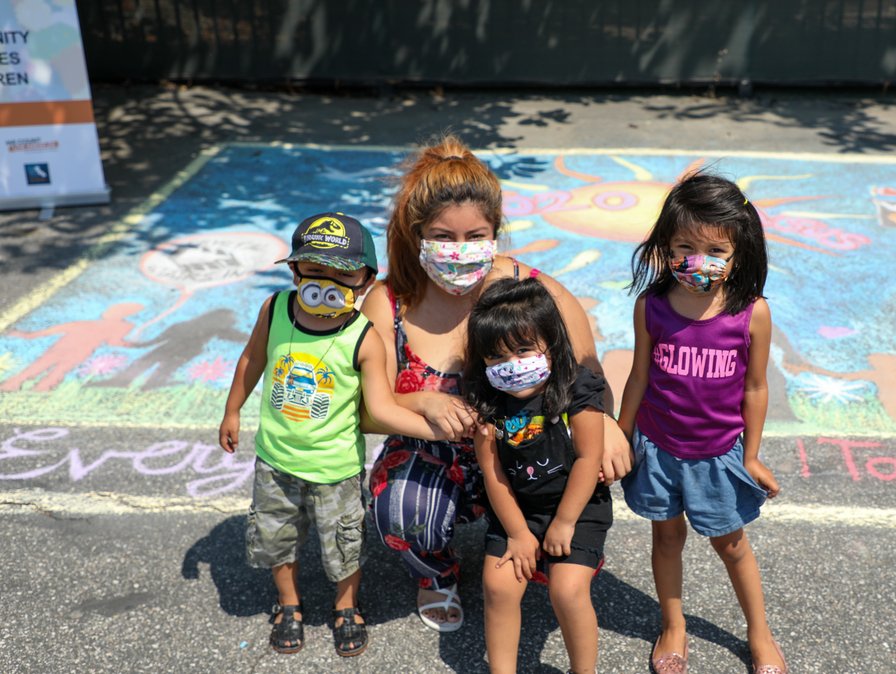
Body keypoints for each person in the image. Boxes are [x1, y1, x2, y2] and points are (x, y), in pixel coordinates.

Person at [362, 134, 631, 633]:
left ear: (495, 231)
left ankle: (553, 544)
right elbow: (366, 407)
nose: (460, 252)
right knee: (400, 510)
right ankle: (436, 573)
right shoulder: (388, 302)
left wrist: (608, 421)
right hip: (439, 458)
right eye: (443, 237)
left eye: (475, 236)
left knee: (587, 471)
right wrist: (422, 400)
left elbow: (586, 366)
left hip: (528, 455)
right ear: (416, 232)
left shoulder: (530, 289)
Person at [219, 212, 445, 657]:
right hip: (275, 460)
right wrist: (232, 410)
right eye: (314, 270)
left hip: (336, 470)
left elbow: (380, 408)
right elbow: (251, 360)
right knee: (276, 536)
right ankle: (288, 604)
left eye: (341, 273)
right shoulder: (277, 309)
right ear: (294, 270)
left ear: (365, 280)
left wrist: (435, 431)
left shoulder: (364, 337)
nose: (325, 281)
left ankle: (346, 607)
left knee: (344, 544)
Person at [618, 172, 788, 674]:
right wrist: (620, 436)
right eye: (684, 246)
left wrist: (751, 455)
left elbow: (755, 388)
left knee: (732, 544)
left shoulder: (752, 313)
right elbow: (638, 376)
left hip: (719, 455)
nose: (698, 260)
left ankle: (759, 632)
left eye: (715, 249)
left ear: (740, 251)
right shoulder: (651, 306)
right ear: (665, 246)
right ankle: (673, 625)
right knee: (666, 539)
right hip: (659, 449)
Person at [463, 277, 611, 674]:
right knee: (497, 587)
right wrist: (517, 533)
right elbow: (493, 470)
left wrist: (563, 523)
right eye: (495, 357)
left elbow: (587, 457)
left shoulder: (577, 388)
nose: (511, 365)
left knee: (567, 590)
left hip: (576, 511)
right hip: (516, 511)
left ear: (552, 342)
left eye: (524, 350)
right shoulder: (486, 400)